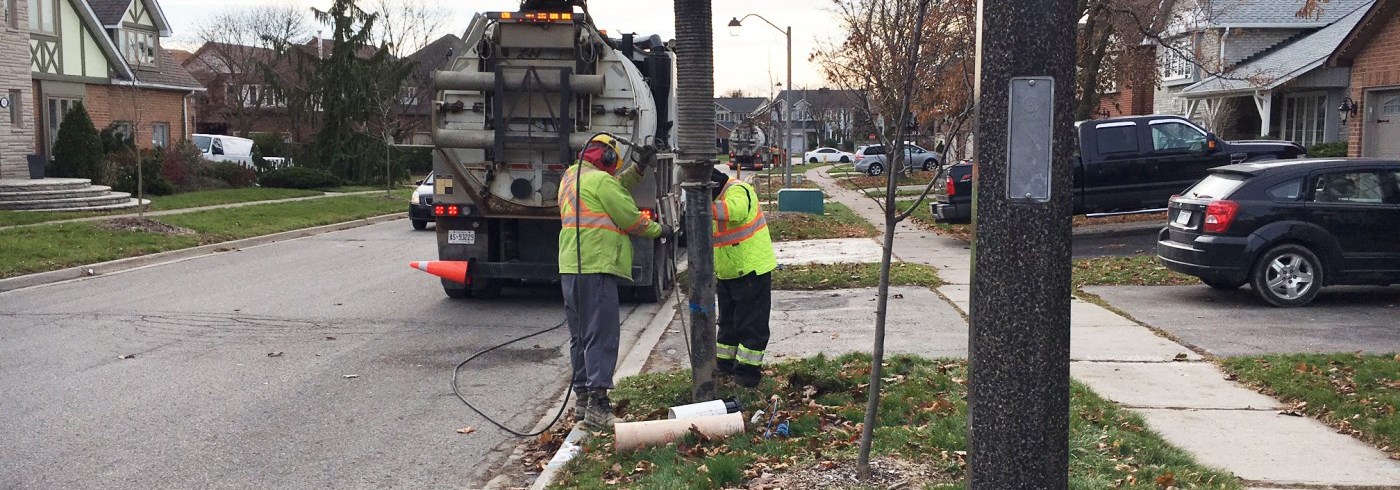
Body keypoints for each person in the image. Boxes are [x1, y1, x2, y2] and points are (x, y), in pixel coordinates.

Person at [559, 133, 672, 428]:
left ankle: (582, 401)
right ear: (606, 158)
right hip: (596, 265)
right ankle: (598, 403)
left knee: (580, 336)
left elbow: (615, 188)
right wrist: (661, 231)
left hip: (571, 266)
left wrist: (638, 170)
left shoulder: (571, 179)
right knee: (602, 334)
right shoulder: (602, 182)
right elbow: (629, 218)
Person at [710, 168, 777, 388]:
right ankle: (725, 368)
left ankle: (747, 376)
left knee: (751, 325)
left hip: (751, 270)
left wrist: (703, 206)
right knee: (728, 325)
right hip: (729, 273)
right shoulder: (716, 198)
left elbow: (735, 211)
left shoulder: (738, 190)